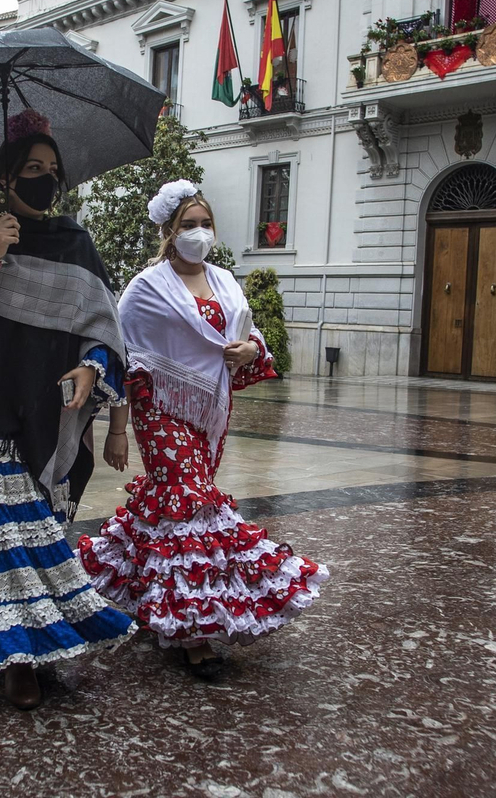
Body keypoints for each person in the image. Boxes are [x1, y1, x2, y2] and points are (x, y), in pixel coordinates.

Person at [0, 108, 135, 709]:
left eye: (52, 170)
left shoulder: (75, 242)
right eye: (32, 168)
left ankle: (25, 631)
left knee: (39, 521)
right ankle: (15, 655)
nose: (44, 178)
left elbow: (105, 329)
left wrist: (92, 367)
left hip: (51, 405)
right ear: (6, 176)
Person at [79, 181, 328, 678]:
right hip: (159, 409)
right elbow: (127, 358)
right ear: (169, 231)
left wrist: (252, 349)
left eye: (205, 224)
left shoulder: (225, 280)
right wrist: (117, 430)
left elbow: (245, 334)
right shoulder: (147, 287)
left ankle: (128, 586)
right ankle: (193, 630)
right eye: (189, 225)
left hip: (209, 409)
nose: (199, 233)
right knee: (190, 501)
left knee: (172, 505)